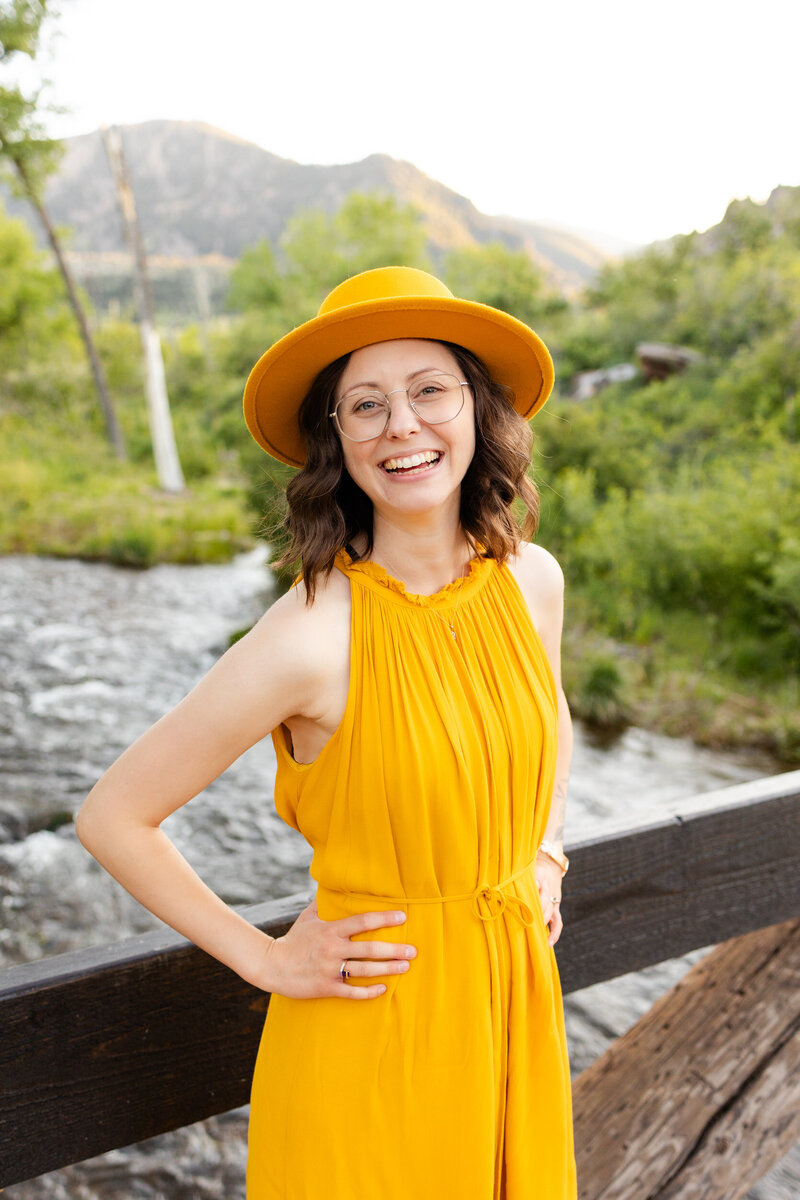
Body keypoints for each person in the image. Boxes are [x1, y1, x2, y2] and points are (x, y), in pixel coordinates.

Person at [77, 265, 577, 1199]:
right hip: (373, 1036)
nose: (404, 426)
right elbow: (113, 816)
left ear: (479, 410)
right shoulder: (309, 634)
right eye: (366, 405)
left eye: (431, 390)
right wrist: (265, 959)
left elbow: (544, 722)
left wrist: (543, 849)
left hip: (513, 1003)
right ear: (335, 441)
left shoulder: (531, 580)